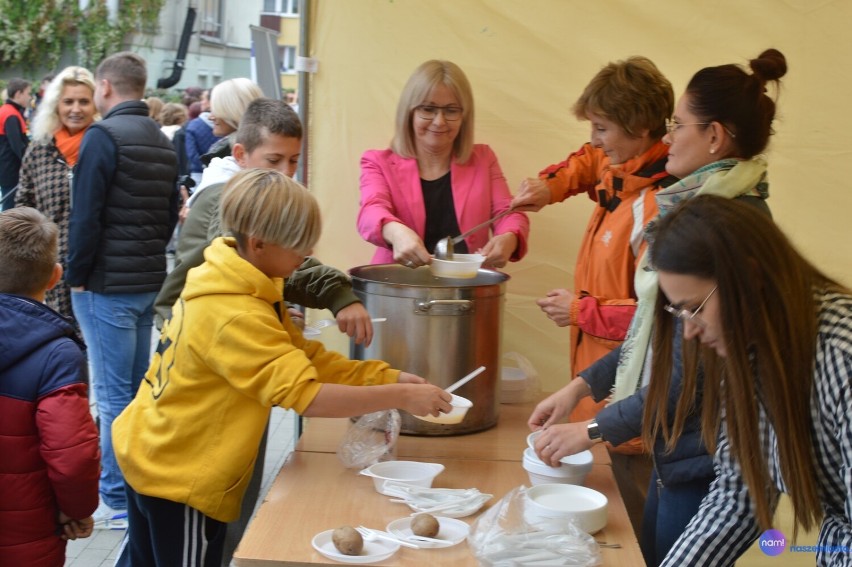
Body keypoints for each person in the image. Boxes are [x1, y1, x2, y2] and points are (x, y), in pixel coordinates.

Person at [112, 168, 452, 566]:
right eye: (298, 248)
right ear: (258, 244)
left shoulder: (237, 278)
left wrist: (387, 376)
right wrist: (402, 395)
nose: (306, 257)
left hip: (151, 451)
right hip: (177, 477)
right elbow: (306, 397)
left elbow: (304, 357)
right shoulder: (234, 312)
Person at [528, 48, 785, 565]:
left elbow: (686, 375)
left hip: (711, 465)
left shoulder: (727, 228)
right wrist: (581, 386)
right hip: (682, 453)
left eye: (678, 125)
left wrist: (590, 428)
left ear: (714, 136)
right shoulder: (705, 206)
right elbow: (656, 333)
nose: (668, 137)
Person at [642, 195, 852, 565]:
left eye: (697, 309)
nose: (689, 331)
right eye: (680, 313)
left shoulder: (842, 356)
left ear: (750, 277)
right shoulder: (753, 350)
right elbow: (737, 497)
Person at [67, 51, 179, 529]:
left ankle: (115, 496)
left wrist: (74, 273)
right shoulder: (161, 138)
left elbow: (85, 214)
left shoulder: (102, 136)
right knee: (135, 392)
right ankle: (131, 486)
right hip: (147, 280)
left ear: (107, 87)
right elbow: (170, 211)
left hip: (106, 283)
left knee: (114, 396)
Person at [0, 207, 100, 567]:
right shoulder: (57, 354)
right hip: (28, 534)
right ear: (55, 276)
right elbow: (72, 457)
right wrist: (76, 510)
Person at [358, 59, 529, 269]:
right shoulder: (377, 162)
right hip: (397, 289)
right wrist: (395, 231)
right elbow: (371, 210)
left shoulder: (484, 159)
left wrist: (509, 237)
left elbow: (508, 212)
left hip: (469, 289)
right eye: (428, 109)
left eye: (451, 110)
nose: (439, 121)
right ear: (409, 112)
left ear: (464, 116)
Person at [15, 66, 98, 327]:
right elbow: (24, 205)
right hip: (50, 269)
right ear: (56, 106)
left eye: (84, 101)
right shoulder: (39, 149)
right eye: (68, 101)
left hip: (96, 268)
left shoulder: (103, 146)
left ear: (95, 105)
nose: (76, 109)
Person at [201, 77, 265, 168]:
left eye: (216, 110)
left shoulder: (234, 158)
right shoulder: (263, 146)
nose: (210, 117)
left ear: (233, 111)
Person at [0, 78, 32, 210]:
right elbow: (17, 146)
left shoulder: (6, 110)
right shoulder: (11, 114)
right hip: (11, 169)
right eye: (28, 93)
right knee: (10, 207)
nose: (30, 97)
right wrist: (30, 163)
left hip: (6, 167)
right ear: (18, 94)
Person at [185, 88, 220, 186]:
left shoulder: (193, 125)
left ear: (210, 102)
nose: (201, 102)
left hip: (198, 175)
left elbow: (192, 155)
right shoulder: (230, 125)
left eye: (203, 99)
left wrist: (204, 166)